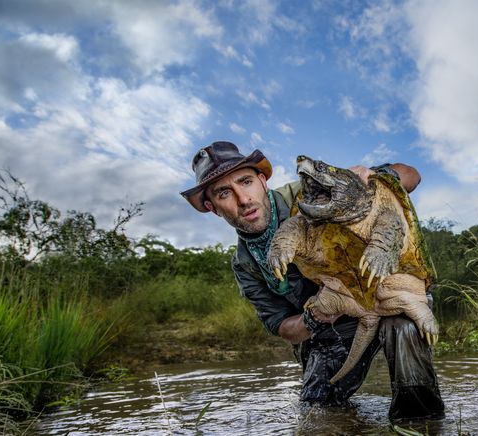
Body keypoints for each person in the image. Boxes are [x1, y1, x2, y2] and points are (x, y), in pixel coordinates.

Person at [180, 141, 445, 421]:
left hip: (387, 292)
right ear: (213, 207)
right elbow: (282, 327)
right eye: (224, 193)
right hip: (331, 325)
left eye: (245, 182)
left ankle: (420, 421)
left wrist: (372, 176)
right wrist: (317, 314)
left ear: (262, 181)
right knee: (317, 410)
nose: (243, 199)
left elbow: (412, 176)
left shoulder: (309, 192)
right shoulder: (246, 266)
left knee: (404, 326)